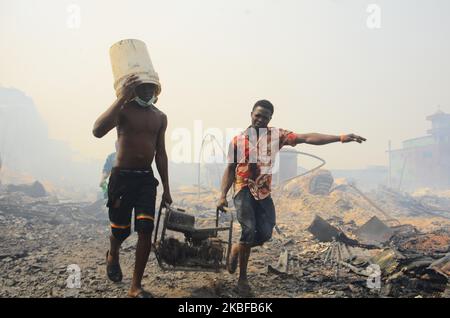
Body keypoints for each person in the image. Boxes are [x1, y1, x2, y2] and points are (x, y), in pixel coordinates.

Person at [217, 99, 366, 295]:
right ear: (251, 114)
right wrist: (222, 195)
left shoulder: (277, 136)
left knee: (265, 233)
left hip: (263, 192)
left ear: (270, 119)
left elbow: (306, 137)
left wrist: (339, 137)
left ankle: (238, 248)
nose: (260, 119)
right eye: (257, 115)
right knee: (248, 229)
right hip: (242, 189)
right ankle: (242, 280)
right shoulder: (237, 141)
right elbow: (230, 168)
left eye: (265, 117)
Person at [93, 74, 172, 298]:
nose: (147, 92)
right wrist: (121, 98)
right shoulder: (124, 110)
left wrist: (166, 188)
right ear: (134, 90)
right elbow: (97, 130)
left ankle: (135, 287)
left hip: (146, 179)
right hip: (122, 178)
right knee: (120, 230)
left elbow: (161, 153)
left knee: (146, 229)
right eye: (142, 87)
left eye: (152, 87)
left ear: (157, 90)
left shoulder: (160, 117)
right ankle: (113, 253)